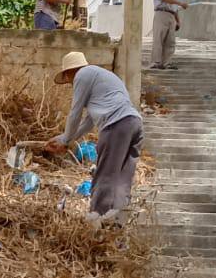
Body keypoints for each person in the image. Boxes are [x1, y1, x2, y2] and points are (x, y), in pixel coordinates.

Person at [43, 51, 143, 224]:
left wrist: (65, 141)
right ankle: (118, 220)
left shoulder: (82, 75)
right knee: (123, 177)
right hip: (135, 124)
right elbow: (88, 123)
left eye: (68, 79)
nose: (70, 83)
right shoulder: (101, 78)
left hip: (116, 126)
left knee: (105, 174)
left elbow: (75, 113)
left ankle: (96, 216)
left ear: (69, 72)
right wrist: (64, 138)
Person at [151, 0, 189, 71]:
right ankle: (156, 62)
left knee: (170, 41)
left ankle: (167, 62)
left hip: (171, 15)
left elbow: (174, 9)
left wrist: (178, 21)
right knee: (159, 38)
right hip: (161, 13)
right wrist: (180, 3)